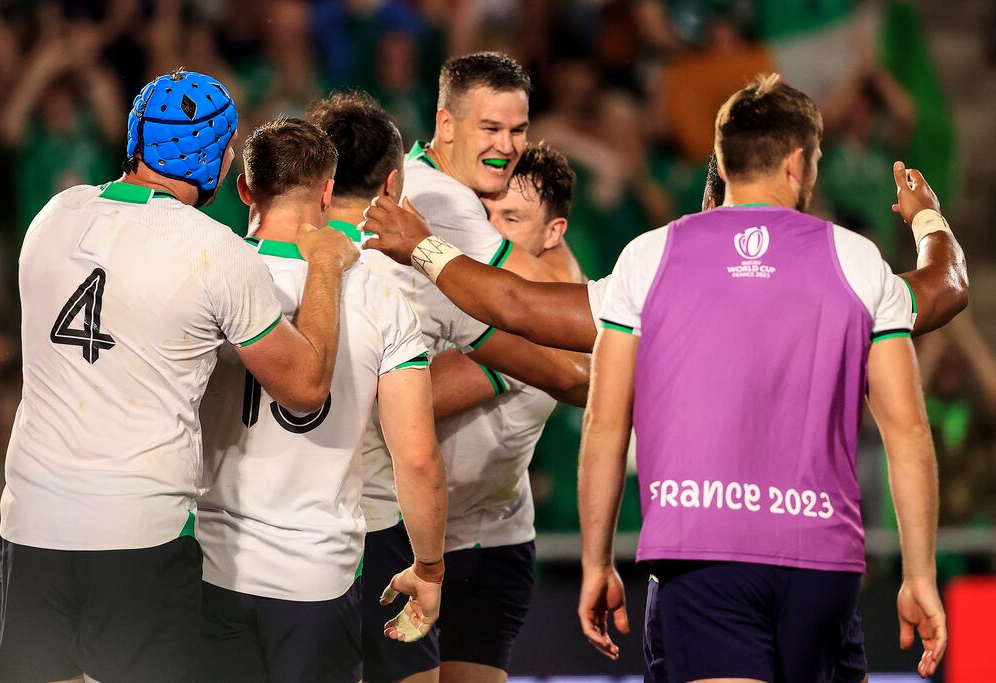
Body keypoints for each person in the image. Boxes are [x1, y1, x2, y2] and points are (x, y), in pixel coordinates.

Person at [0, 70, 357, 683]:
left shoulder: (52, 216)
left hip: (31, 523)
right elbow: (305, 386)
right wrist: (324, 266)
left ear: (136, 137)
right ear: (219, 159)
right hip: (140, 533)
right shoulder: (216, 251)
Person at [578, 73, 946, 681]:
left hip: (701, 550)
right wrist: (919, 575)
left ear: (722, 164)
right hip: (820, 563)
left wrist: (597, 560)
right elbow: (907, 430)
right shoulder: (857, 260)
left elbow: (606, 419)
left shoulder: (648, 256)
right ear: (798, 162)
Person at [310, 89, 587, 683]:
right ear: (393, 185)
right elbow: (404, 430)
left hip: (476, 542)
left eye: (508, 224)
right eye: (480, 223)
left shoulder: (251, 271)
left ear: (554, 234)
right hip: (388, 537)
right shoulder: (409, 285)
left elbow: (572, 375)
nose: (484, 240)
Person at [196, 117, 447, 683]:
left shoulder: (204, 273)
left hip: (211, 566)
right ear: (328, 191)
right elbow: (417, 458)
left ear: (244, 189)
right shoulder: (379, 293)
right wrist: (428, 568)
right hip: (316, 577)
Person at [361, 147, 967, 349]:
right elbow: (945, 289)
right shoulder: (841, 276)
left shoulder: (663, 273)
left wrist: (424, 246)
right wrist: (927, 220)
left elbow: (518, 305)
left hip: (698, 549)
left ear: (705, 206)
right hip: (812, 553)